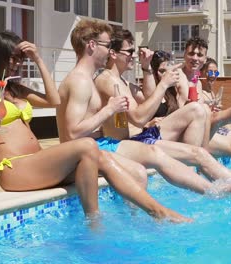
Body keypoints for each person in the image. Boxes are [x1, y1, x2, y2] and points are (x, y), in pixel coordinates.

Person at [55, 19, 195, 223]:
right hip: (80, 157)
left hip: (91, 150)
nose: (109, 50)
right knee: (138, 172)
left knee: (141, 169)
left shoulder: (86, 78)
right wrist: (109, 110)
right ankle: (145, 221)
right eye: (106, 45)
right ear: (92, 46)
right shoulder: (80, 81)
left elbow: (145, 104)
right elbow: (73, 133)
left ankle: (139, 222)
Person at [0, 31, 101, 220]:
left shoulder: (15, 89)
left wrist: (38, 60)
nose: (18, 65)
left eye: (21, 59)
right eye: (14, 59)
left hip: (37, 162)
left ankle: (146, 211)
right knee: (87, 145)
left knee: (102, 162)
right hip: (15, 169)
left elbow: (54, 100)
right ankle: (94, 222)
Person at [94, 29, 231, 193]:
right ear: (114, 54)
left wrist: (146, 69)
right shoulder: (108, 80)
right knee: (197, 118)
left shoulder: (122, 80)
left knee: (198, 125)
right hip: (119, 146)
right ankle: (211, 189)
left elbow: (148, 99)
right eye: (129, 51)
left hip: (131, 141)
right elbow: (138, 118)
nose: (133, 55)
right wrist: (164, 84)